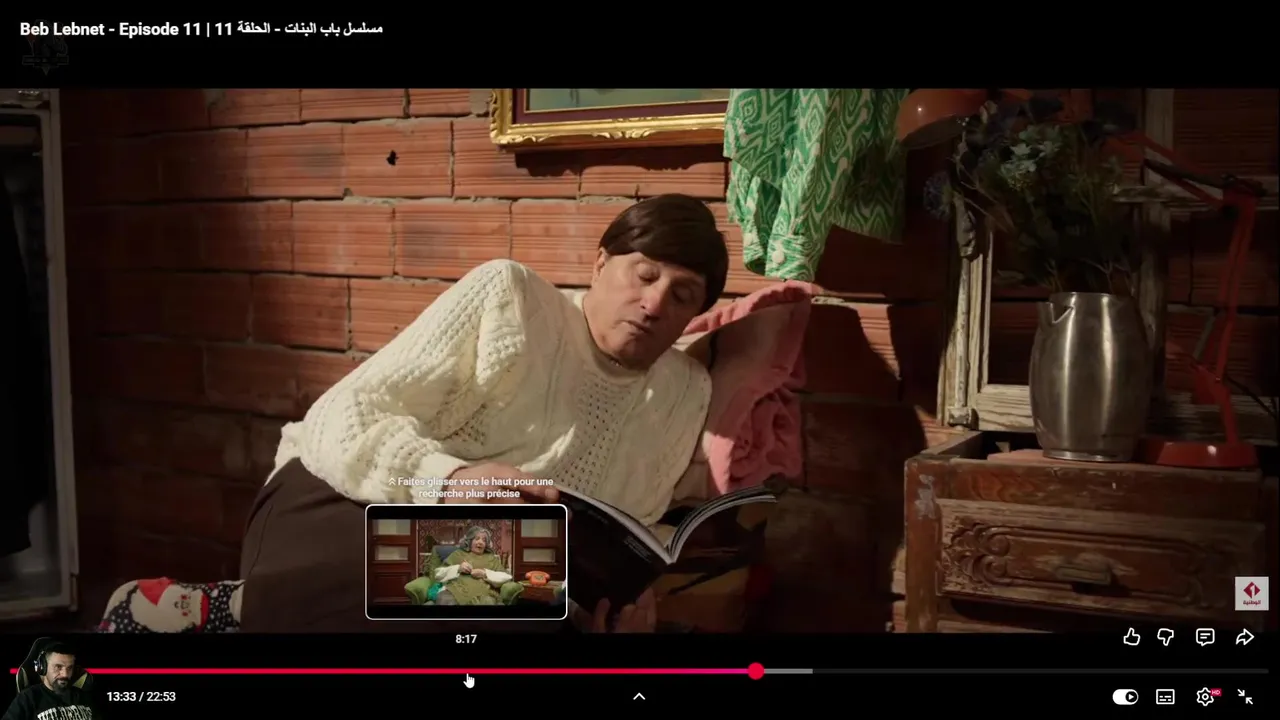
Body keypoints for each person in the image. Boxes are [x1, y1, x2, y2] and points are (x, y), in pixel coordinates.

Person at [239, 194, 728, 633]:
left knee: (523, 601)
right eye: (644, 275)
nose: (653, 303)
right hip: (346, 495)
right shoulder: (510, 296)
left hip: (493, 560)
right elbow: (342, 417)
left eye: (681, 295)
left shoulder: (683, 392)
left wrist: (607, 609)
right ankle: (254, 601)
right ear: (600, 264)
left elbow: (621, 537)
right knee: (484, 593)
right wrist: (450, 481)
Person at [3, 642, 97, 720]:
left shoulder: (84, 697)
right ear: (43, 668)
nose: (65, 674)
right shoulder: (28, 698)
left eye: (69, 668)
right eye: (58, 667)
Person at [428, 526, 518, 606]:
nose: (480, 542)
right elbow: (438, 574)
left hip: (483, 593)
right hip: (455, 591)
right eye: (477, 539)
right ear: (469, 541)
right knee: (445, 599)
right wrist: (458, 568)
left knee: (487, 602)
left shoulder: (491, 558)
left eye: (484, 540)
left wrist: (485, 574)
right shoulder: (458, 554)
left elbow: (507, 577)